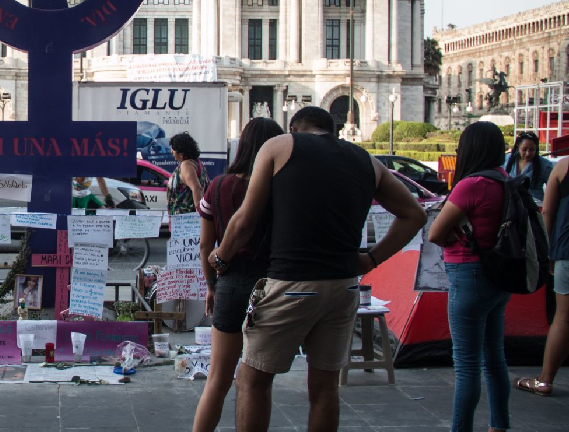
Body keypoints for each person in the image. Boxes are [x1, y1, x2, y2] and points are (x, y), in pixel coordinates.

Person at [209, 107, 425, 432]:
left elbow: (244, 221)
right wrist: (371, 259)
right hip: (343, 286)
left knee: (252, 379)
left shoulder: (280, 146)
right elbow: (414, 215)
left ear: (294, 129)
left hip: (291, 283)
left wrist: (220, 257)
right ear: (332, 132)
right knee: (325, 387)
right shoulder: (367, 161)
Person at [192, 117, 283, 432]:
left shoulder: (218, 186)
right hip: (272, 285)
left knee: (217, 379)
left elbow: (205, 244)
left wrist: (211, 286)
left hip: (229, 281)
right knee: (258, 381)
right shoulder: (280, 188)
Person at [427, 121, 514, 432]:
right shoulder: (505, 180)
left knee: (466, 366)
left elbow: (435, 233)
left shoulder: (472, 184)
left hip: (468, 275)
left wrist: (449, 229)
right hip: (499, 277)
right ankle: (498, 425)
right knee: (495, 359)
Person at [516, 154, 569, 397]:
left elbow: (547, 211)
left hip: (566, 250)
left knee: (564, 318)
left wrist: (546, 251)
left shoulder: (563, 167)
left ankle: (545, 380)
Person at [504, 131, 552, 204]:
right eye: (524, 149)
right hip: (510, 203)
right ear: (518, 147)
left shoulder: (544, 164)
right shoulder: (507, 160)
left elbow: (552, 188)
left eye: (532, 150)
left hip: (533, 204)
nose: (528, 153)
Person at [167, 132, 209, 215]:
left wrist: (199, 215)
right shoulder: (197, 163)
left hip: (185, 218)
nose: (172, 152)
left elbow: (197, 188)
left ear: (181, 154)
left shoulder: (186, 165)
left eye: (173, 149)